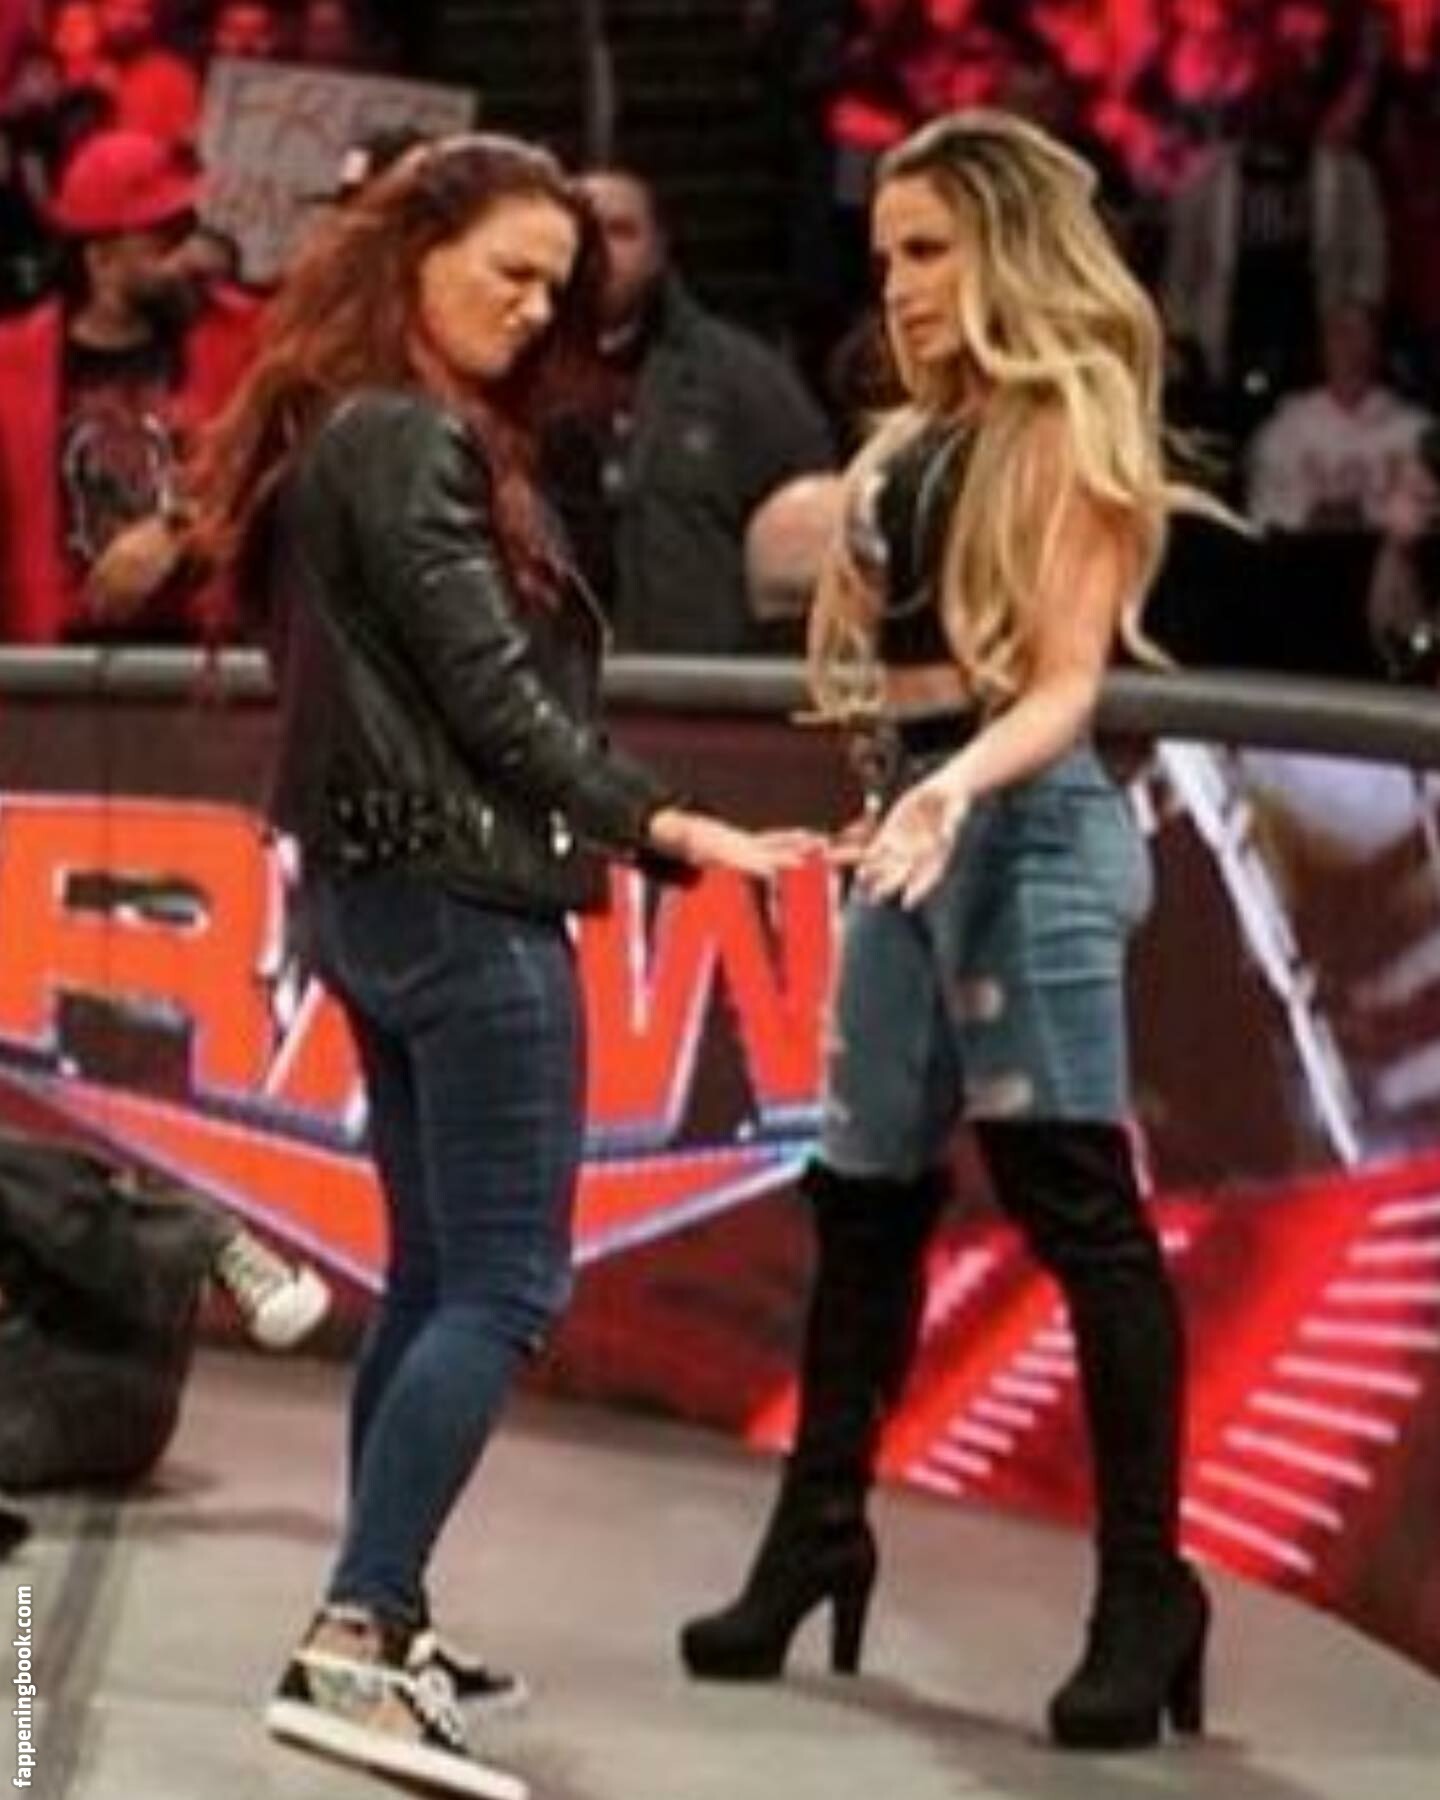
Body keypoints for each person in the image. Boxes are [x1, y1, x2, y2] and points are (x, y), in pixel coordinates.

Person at [188, 132, 813, 1797]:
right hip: (462, 904)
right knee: (505, 1288)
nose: (537, 308)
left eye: (557, 285)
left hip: (384, 899)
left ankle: (378, 1618)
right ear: (416, 254)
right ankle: (358, 1636)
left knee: (433, 1277)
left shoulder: (353, 426)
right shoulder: (406, 439)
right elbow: (493, 698)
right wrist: (666, 822)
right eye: (509, 271)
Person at [679, 108, 1213, 1752]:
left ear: (1004, 249)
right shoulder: (913, 440)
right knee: (862, 1200)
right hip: (915, 824)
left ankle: (1148, 1592)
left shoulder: (1069, 421)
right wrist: (899, 784)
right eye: (886, 254)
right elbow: (855, 634)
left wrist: (950, 791)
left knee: (1075, 1204)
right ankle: (817, 1533)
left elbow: (1063, 688)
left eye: (930, 250)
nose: (900, 283)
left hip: (1021, 824)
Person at [542, 167, 833, 654]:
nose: (599, 251)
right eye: (582, 231)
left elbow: (814, 525)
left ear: (659, 249)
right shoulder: (507, 372)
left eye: (620, 231)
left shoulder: (741, 379)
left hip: (699, 679)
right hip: (543, 681)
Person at [0, 127, 259, 643]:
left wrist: (180, 529)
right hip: (54, 663)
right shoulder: (13, 364)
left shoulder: (243, 340)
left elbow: (277, 481)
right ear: (100, 259)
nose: (192, 255)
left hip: (203, 654)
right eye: (166, 240)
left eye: (191, 229)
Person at [1246, 304, 1433, 534]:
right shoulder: (1283, 430)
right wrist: (1311, 517)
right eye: (1340, 334)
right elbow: (1261, 510)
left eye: (1362, 334)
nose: (1350, 347)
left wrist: (1366, 518)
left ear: (1377, 348)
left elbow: (1429, 513)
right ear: (1322, 347)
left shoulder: (1415, 431)